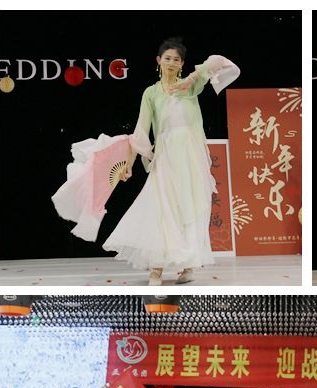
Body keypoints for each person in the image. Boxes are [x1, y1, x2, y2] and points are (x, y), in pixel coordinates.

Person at [101, 37, 239, 285]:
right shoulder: (151, 93)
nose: (172, 63)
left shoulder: (191, 86)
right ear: (158, 61)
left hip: (191, 155)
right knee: (162, 206)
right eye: (167, 58)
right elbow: (141, 130)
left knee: (191, 207)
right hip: (166, 155)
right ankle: (156, 268)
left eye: (177, 59)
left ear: (182, 63)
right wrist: (129, 164)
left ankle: (188, 266)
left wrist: (192, 78)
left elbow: (221, 61)